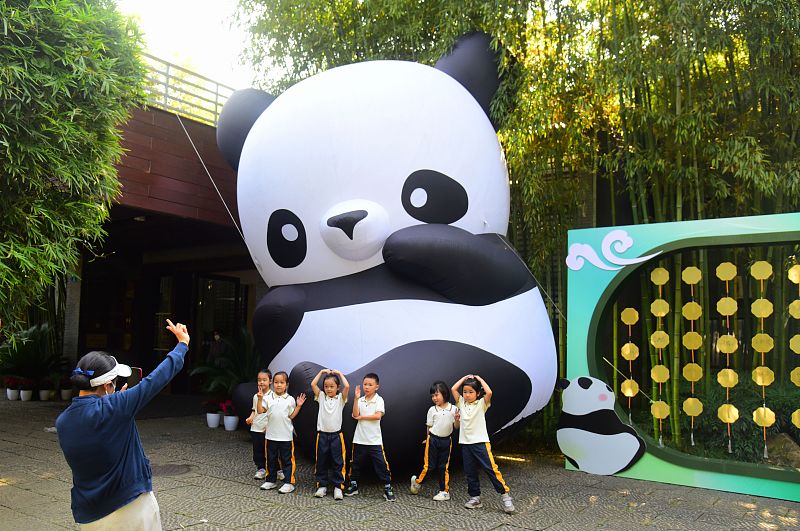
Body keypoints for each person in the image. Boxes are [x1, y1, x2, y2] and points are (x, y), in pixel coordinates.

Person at [56, 319, 190, 529]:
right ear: (109, 385)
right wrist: (181, 345)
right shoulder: (116, 408)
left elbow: (98, 433)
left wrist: (116, 403)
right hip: (131, 507)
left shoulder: (63, 421)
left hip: (91, 515)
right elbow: (154, 381)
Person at [451, 374, 515, 514]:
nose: (467, 395)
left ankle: (505, 496)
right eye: (465, 392)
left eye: (471, 392)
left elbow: (490, 392)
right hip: (465, 444)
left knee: (491, 469)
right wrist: (464, 378)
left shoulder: (481, 404)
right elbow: (453, 389)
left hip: (480, 443)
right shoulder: (461, 403)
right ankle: (475, 498)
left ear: (478, 393)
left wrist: (479, 379)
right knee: (470, 472)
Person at [344, 373, 396, 502]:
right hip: (359, 439)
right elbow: (355, 414)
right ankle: (353, 485)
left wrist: (362, 417)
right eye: (365, 384)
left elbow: (378, 416)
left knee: (382, 465)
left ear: (376, 387)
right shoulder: (360, 400)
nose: (366, 387)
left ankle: (388, 487)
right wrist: (356, 399)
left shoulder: (379, 400)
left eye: (370, 385)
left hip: (374, 440)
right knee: (355, 464)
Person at [410, 381, 459, 501]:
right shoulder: (432, 410)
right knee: (429, 467)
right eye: (432, 396)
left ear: (444, 393)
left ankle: (444, 491)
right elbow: (429, 426)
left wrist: (458, 420)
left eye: (436, 395)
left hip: (447, 441)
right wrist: (427, 438)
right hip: (433, 439)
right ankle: (417, 482)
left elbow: (456, 427)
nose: (434, 398)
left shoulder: (454, 409)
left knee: (443, 467)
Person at [258, 371, 306, 493]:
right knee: (271, 459)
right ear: (272, 383)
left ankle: (289, 482)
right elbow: (260, 411)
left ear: (286, 384)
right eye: (276, 382)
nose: (278, 385)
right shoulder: (267, 398)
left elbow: (291, 416)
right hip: (271, 436)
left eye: (282, 382)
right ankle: (271, 480)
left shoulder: (290, 399)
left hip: (285, 436)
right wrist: (259, 399)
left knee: (287, 460)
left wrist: (299, 406)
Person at [310, 368, 350, 500]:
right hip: (322, 435)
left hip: (336, 436)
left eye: (332, 386)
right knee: (321, 461)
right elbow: (313, 385)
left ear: (337, 387)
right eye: (326, 386)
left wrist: (339, 374)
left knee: (338, 461)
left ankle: (338, 487)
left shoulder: (340, 399)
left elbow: (347, 386)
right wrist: (321, 372)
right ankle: (322, 485)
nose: (329, 389)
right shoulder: (321, 397)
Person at [245, 369, 272, 480]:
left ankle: (275, 469)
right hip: (256, 427)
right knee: (258, 450)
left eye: (264, 380)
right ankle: (261, 468)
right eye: (259, 380)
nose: (261, 382)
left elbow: (273, 414)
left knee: (271, 450)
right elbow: (254, 410)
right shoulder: (256, 396)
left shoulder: (273, 396)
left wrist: (269, 426)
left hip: (268, 428)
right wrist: (250, 418)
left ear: (270, 381)